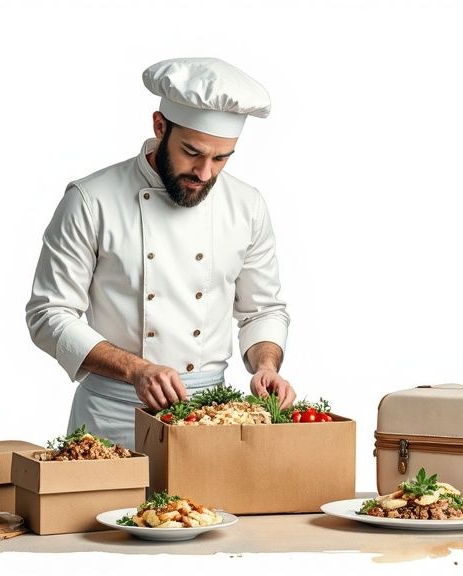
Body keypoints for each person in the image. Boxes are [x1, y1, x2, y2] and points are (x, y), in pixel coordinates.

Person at [25, 57, 295, 448]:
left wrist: (267, 366)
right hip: (111, 420)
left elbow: (263, 309)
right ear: (159, 126)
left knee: (203, 513)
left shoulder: (247, 206)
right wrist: (137, 370)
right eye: (192, 152)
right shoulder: (90, 200)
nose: (205, 173)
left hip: (210, 420)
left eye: (221, 158)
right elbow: (48, 314)